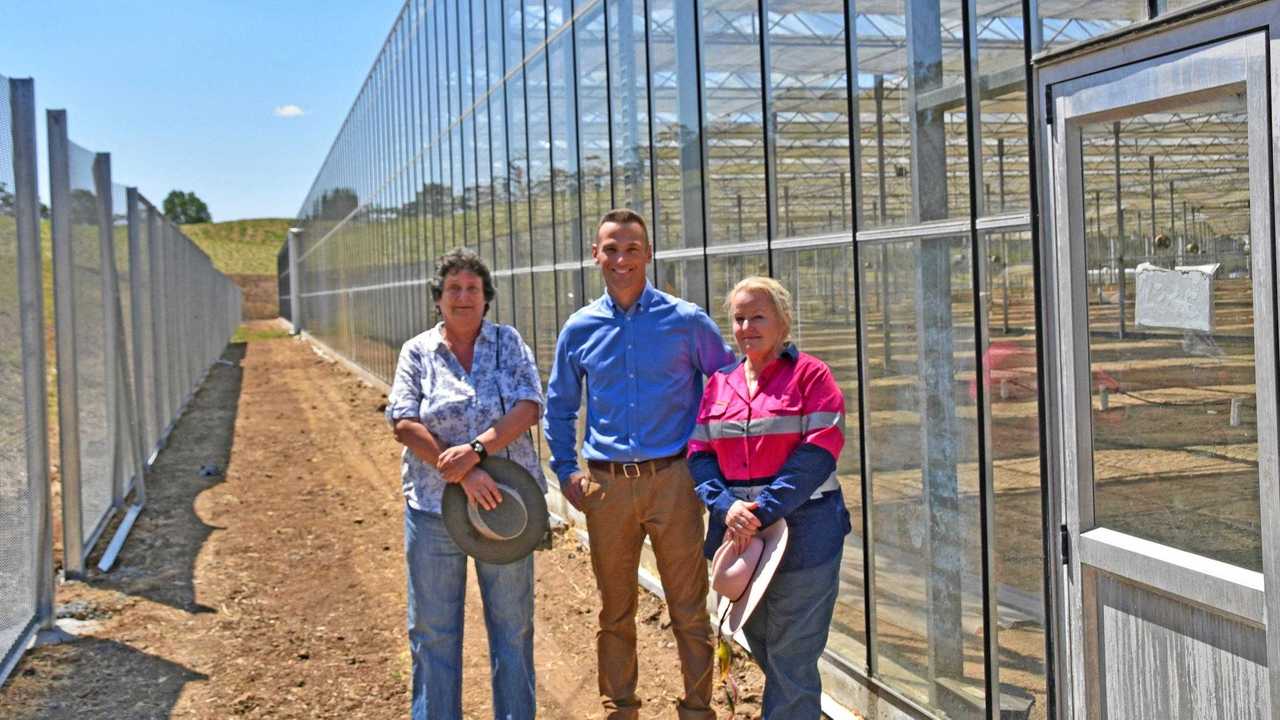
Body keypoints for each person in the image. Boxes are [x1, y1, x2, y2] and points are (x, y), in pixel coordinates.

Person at [545, 208, 736, 720]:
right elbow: (559, 406)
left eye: (632, 248)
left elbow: (730, 390)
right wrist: (566, 471)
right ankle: (620, 707)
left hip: (674, 481)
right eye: (611, 248)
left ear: (649, 254)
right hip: (606, 487)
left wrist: (713, 470)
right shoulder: (580, 327)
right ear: (595, 255)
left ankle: (698, 708)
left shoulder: (686, 320)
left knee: (688, 608)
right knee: (615, 610)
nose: (621, 259)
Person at [386, 248, 545, 720]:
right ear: (437, 298)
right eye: (453, 288)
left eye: (472, 288)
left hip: (506, 505)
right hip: (435, 509)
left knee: (512, 629)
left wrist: (477, 452)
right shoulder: (417, 351)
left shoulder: (507, 343)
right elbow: (402, 419)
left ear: (486, 298)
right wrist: (459, 471)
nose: (462, 296)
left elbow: (528, 405)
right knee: (433, 631)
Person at [687, 276, 850, 720]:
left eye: (758, 316)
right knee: (761, 639)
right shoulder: (720, 384)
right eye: (738, 318)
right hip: (740, 538)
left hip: (805, 534)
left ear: (783, 322)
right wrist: (726, 507)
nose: (746, 326)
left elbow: (818, 452)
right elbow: (699, 454)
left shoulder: (810, 376)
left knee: (792, 656)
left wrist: (761, 511)